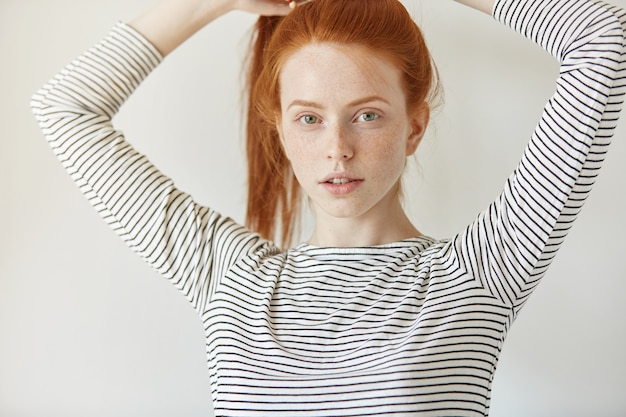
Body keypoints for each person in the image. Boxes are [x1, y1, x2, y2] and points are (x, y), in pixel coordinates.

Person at [31, 0, 625, 415]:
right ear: (282, 132)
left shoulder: (479, 274)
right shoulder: (229, 278)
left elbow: (602, 37)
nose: (337, 149)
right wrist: (209, 2)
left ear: (414, 126)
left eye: (367, 115)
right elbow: (63, 109)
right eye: (309, 119)